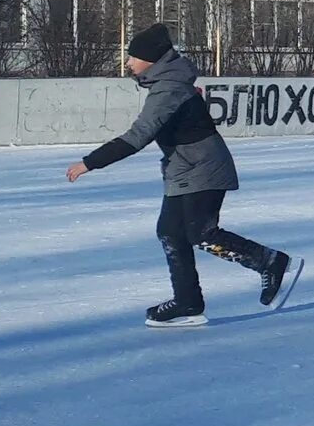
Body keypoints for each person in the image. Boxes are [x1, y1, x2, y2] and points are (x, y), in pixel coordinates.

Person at [64, 23, 297, 327]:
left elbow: (138, 136)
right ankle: (188, 303)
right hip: (183, 168)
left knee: (199, 232)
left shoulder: (169, 89)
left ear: (152, 59)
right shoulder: (168, 83)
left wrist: (89, 163)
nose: (129, 63)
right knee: (171, 232)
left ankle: (270, 262)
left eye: (133, 57)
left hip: (203, 167)